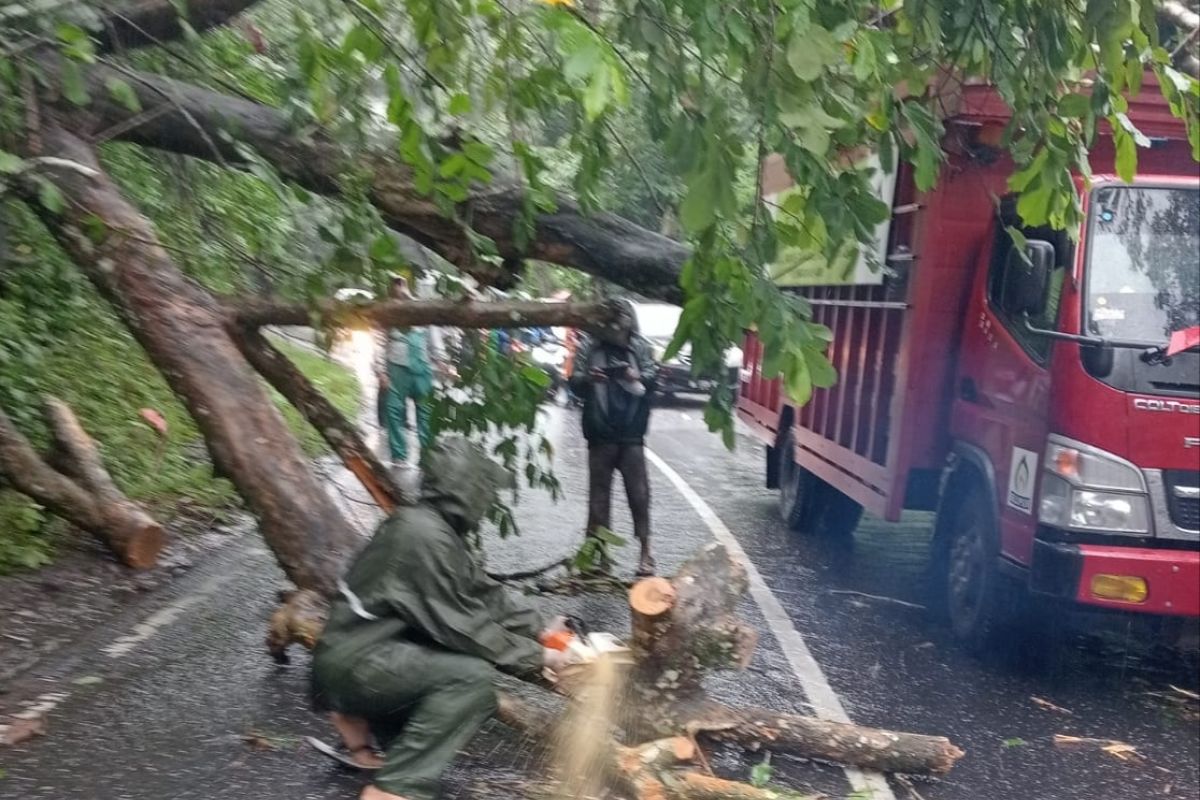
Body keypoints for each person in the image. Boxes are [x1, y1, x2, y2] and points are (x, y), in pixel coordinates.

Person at [311, 437, 570, 800]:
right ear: (468, 489)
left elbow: (483, 593)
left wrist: (541, 630)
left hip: (358, 655)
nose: (490, 499)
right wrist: (539, 658)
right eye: (486, 489)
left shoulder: (428, 528)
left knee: (440, 670)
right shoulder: (423, 537)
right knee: (470, 680)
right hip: (357, 664)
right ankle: (392, 790)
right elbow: (464, 626)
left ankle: (362, 735)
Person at [569, 300, 659, 576]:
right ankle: (599, 554)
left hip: (631, 433)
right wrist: (589, 380)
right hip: (600, 432)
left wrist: (637, 375)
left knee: (639, 494)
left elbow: (653, 378)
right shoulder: (588, 346)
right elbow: (574, 382)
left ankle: (646, 553)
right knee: (599, 496)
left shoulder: (641, 346)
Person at [376, 277, 440, 466]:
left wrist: (443, 361)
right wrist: (380, 371)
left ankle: (428, 455)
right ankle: (399, 454)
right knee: (394, 411)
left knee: (425, 411)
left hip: (422, 368)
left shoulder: (421, 312)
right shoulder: (386, 313)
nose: (399, 289)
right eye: (395, 285)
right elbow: (379, 342)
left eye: (402, 284)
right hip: (396, 368)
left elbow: (434, 338)